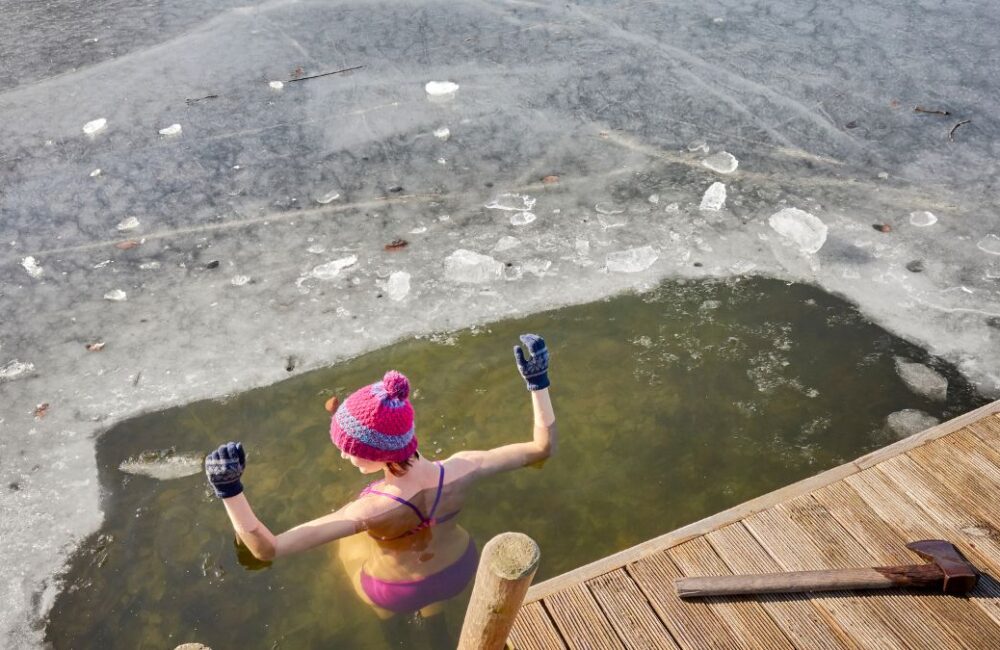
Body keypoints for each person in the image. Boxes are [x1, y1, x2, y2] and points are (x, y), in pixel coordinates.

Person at [204, 333, 557, 635]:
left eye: (349, 451)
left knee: (347, 548)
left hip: (395, 590)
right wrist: (538, 382)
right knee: (433, 595)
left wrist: (230, 490)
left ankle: (390, 626)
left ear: (379, 455)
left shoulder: (367, 509)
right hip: (461, 567)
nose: (344, 457)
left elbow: (268, 549)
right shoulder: (465, 466)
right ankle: (436, 624)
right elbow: (542, 448)